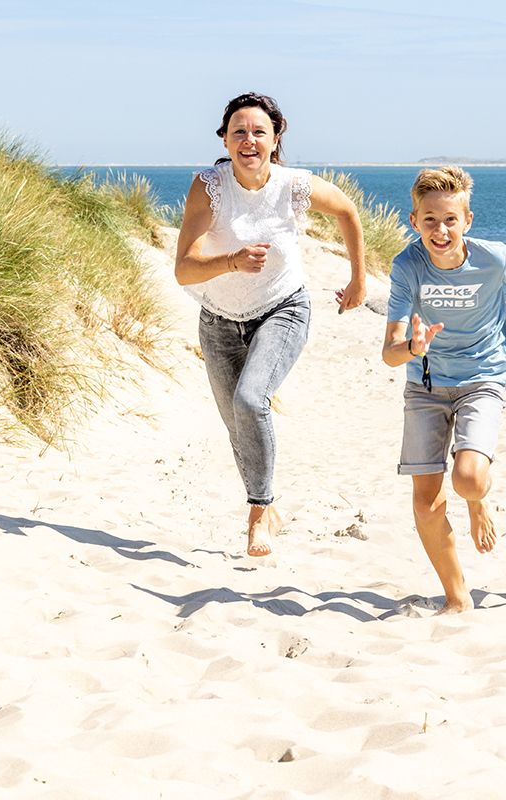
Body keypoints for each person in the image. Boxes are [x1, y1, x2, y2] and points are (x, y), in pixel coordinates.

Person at [175, 92, 367, 558]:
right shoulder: (209, 186)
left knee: (250, 398)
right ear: (224, 137)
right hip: (218, 320)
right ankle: (267, 505)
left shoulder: (293, 185)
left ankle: (259, 512)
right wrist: (232, 261)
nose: (248, 140)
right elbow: (184, 269)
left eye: (259, 131)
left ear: (276, 139)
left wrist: (358, 278)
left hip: (282, 309)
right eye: (238, 131)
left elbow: (347, 211)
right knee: (236, 424)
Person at [382, 166, 506, 614]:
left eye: (450, 219)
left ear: (467, 220)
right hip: (426, 386)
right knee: (425, 500)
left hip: (483, 378)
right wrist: (412, 347)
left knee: (469, 479)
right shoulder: (407, 266)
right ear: (414, 220)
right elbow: (389, 353)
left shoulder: (493, 259)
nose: (441, 230)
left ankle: (478, 500)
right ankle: (458, 598)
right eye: (430, 219)